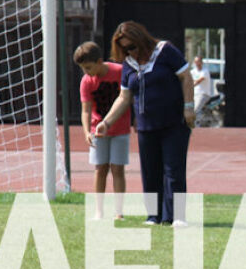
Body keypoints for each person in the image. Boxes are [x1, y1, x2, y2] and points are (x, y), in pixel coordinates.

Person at [96, 21, 194, 226]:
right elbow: (124, 97)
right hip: (145, 127)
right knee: (150, 171)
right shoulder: (129, 64)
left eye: (132, 46)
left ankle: (176, 216)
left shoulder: (165, 51)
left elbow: (186, 77)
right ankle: (154, 216)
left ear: (141, 40)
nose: (129, 51)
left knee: (173, 170)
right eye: (124, 49)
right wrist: (106, 122)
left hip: (173, 123)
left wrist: (189, 107)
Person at [75, 41, 130, 220]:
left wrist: (135, 119)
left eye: (89, 67)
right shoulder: (86, 81)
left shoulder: (120, 72)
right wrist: (86, 132)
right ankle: (99, 210)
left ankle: (119, 211)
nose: (86, 72)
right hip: (98, 131)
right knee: (100, 169)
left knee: (117, 169)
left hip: (120, 129)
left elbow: (129, 98)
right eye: (83, 68)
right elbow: (86, 110)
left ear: (99, 61)